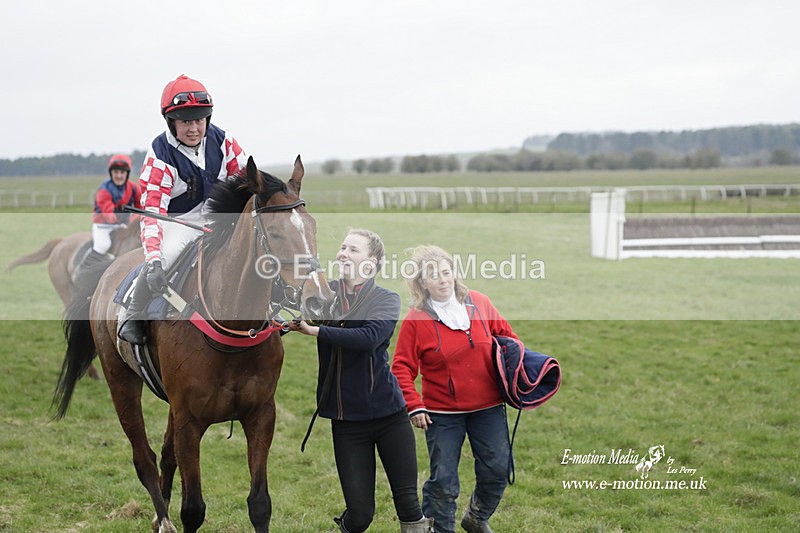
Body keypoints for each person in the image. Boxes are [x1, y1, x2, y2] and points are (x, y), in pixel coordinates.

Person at [289, 229, 433, 533]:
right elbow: (286, 298)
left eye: (353, 249)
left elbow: (369, 338)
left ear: (372, 262)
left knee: (409, 507)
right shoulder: (325, 294)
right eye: (343, 247)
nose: (343, 253)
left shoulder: (386, 299)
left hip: (390, 415)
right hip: (347, 421)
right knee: (360, 515)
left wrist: (316, 331)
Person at [391, 245, 518, 533]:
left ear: (454, 274)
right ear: (422, 283)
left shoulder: (480, 303)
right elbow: (401, 367)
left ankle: (477, 517)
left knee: (498, 470)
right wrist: (414, 405)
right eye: (434, 275)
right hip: (442, 414)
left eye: (446, 272)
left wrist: (521, 377)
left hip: (488, 407)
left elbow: (509, 340)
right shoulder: (415, 320)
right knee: (444, 482)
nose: (442, 279)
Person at [118, 74, 248, 344]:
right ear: (171, 122)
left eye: (199, 120)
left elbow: (246, 182)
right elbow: (153, 213)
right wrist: (154, 260)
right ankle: (133, 313)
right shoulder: (160, 153)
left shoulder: (224, 141)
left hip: (219, 218)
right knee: (167, 256)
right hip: (179, 223)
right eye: (186, 122)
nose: (194, 129)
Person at [75, 154, 140, 276]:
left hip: (123, 225)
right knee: (103, 245)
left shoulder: (134, 188)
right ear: (111, 173)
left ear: (127, 174)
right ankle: (83, 268)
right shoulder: (104, 190)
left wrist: (134, 220)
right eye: (116, 172)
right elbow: (108, 213)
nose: (119, 175)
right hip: (103, 225)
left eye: (122, 172)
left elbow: (140, 207)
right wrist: (123, 217)